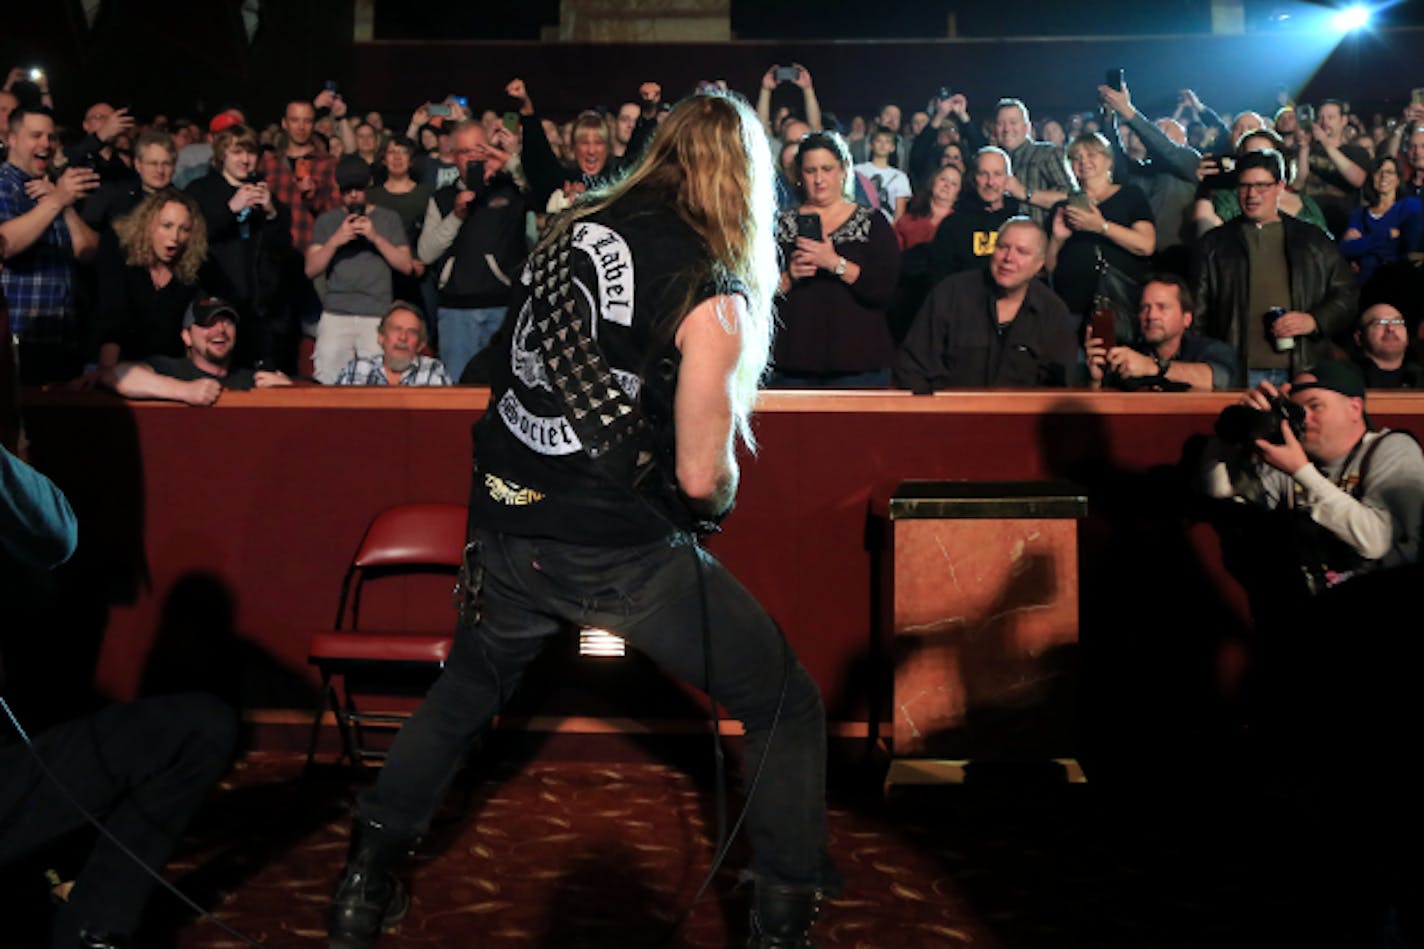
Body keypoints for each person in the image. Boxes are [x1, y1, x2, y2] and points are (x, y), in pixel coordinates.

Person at [327, 91, 839, 949]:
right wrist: (720, 498)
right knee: (785, 701)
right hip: (613, 546)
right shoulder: (710, 289)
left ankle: (361, 883)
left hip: (507, 517)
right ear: (746, 179)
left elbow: (512, 367)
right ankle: (782, 923)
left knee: (464, 695)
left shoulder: (569, 229)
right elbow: (697, 474)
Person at [1192, 149, 1357, 387]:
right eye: (1244, 186)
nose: (1251, 195)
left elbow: (1347, 294)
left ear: (1280, 187)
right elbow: (1199, 312)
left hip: (1301, 370)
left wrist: (1314, 321)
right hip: (1235, 373)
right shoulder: (1215, 243)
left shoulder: (1312, 240)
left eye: (1261, 186)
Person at [772, 130, 900, 387]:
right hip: (793, 364)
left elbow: (886, 290)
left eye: (827, 169)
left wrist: (835, 263)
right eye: (810, 171)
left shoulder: (872, 222)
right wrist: (790, 276)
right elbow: (756, 294)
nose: (819, 179)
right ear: (799, 175)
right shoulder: (778, 224)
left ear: (843, 170)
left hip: (860, 364)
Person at [894, 217, 1076, 390]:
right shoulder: (952, 294)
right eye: (1003, 247)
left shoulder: (1053, 313)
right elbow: (912, 367)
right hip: (949, 417)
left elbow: (1059, 390)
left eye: (1022, 251)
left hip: (1018, 420)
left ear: (1039, 265)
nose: (1008, 258)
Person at [416, 120, 528, 380]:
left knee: (504, 390)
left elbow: (544, 191)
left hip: (502, 308)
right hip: (456, 313)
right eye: (466, 152)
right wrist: (455, 216)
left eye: (480, 150)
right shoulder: (442, 198)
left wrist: (508, 161)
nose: (474, 158)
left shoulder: (510, 190)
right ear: (454, 157)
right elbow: (425, 253)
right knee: (458, 390)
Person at [0, 107, 101, 382]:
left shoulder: (51, 189)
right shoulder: (3, 185)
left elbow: (89, 251)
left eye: (51, 136)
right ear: (11, 138)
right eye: (36, 135)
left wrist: (64, 204)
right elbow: (4, 244)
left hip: (62, 340)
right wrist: (58, 200)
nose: (46, 143)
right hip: (17, 339)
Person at [184, 123, 290, 369]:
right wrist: (230, 209)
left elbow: (284, 250)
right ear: (222, 155)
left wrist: (273, 213)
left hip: (260, 310)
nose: (245, 159)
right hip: (216, 305)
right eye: (237, 152)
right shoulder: (200, 190)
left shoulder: (266, 195)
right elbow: (192, 238)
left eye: (251, 153)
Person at [305, 155, 413, 383]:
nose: (353, 195)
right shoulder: (327, 221)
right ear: (338, 188)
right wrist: (336, 240)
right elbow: (310, 269)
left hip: (376, 315)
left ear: (369, 184)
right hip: (336, 314)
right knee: (328, 382)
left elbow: (406, 265)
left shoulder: (388, 219)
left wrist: (375, 237)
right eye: (347, 190)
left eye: (358, 188)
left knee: (378, 385)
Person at [1046, 131, 1155, 333]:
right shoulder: (1062, 207)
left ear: (1108, 160)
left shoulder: (1130, 195)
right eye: (1076, 157)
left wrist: (1101, 226)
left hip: (1119, 305)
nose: (1083, 161)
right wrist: (1056, 240)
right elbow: (1048, 267)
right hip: (1072, 306)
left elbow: (1146, 245)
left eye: (1091, 154)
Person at [91, 188, 206, 370]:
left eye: (184, 229)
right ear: (148, 225)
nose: (175, 237)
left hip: (170, 369)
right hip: (121, 368)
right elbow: (112, 319)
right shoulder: (122, 259)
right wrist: (106, 372)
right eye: (167, 226)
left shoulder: (192, 272)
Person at [101, 295, 291, 404]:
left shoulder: (250, 378)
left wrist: (289, 391)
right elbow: (116, 375)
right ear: (187, 336)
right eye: (208, 324)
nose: (220, 330)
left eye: (227, 322)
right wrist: (184, 391)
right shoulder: (171, 369)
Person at [1085, 273, 1238, 391]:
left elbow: (1219, 379)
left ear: (1187, 319)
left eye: (1162, 307)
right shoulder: (1127, 354)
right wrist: (1096, 380)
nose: (1151, 316)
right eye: (1145, 308)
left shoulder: (1210, 350)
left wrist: (1153, 367)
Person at [929, 146, 1022, 283]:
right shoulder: (953, 224)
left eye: (997, 174)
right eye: (983, 174)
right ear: (973, 178)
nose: (990, 182)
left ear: (1008, 179)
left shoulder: (1020, 223)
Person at [1340, 155, 1423, 287]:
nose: (1384, 176)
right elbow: (1345, 249)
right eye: (1379, 172)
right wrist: (1387, 236)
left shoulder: (1410, 205)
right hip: (1364, 285)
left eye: (1389, 172)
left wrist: (1362, 244)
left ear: (1397, 179)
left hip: (1398, 282)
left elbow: (1408, 247)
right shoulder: (1360, 214)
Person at [992, 97, 1073, 227]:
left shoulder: (1047, 153)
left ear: (1026, 127)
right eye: (1001, 123)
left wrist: (1024, 192)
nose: (1006, 129)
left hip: (1043, 242)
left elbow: (1071, 199)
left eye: (1013, 122)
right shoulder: (993, 161)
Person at [333, 302, 451, 386]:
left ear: (421, 345)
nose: (403, 337)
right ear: (381, 337)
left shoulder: (434, 370)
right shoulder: (356, 369)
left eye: (412, 332)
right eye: (396, 329)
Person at [1350, 302, 1423, 388]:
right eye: (1379, 323)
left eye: (1397, 321)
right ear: (1359, 338)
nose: (1390, 328)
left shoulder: (1420, 377)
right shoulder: (1346, 377)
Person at [854, 126, 910, 223]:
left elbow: (899, 213)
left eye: (887, 142)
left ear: (892, 148)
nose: (883, 145)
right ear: (871, 145)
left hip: (886, 227)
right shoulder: (857, 170)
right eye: (879, 141)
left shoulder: (900, 177)